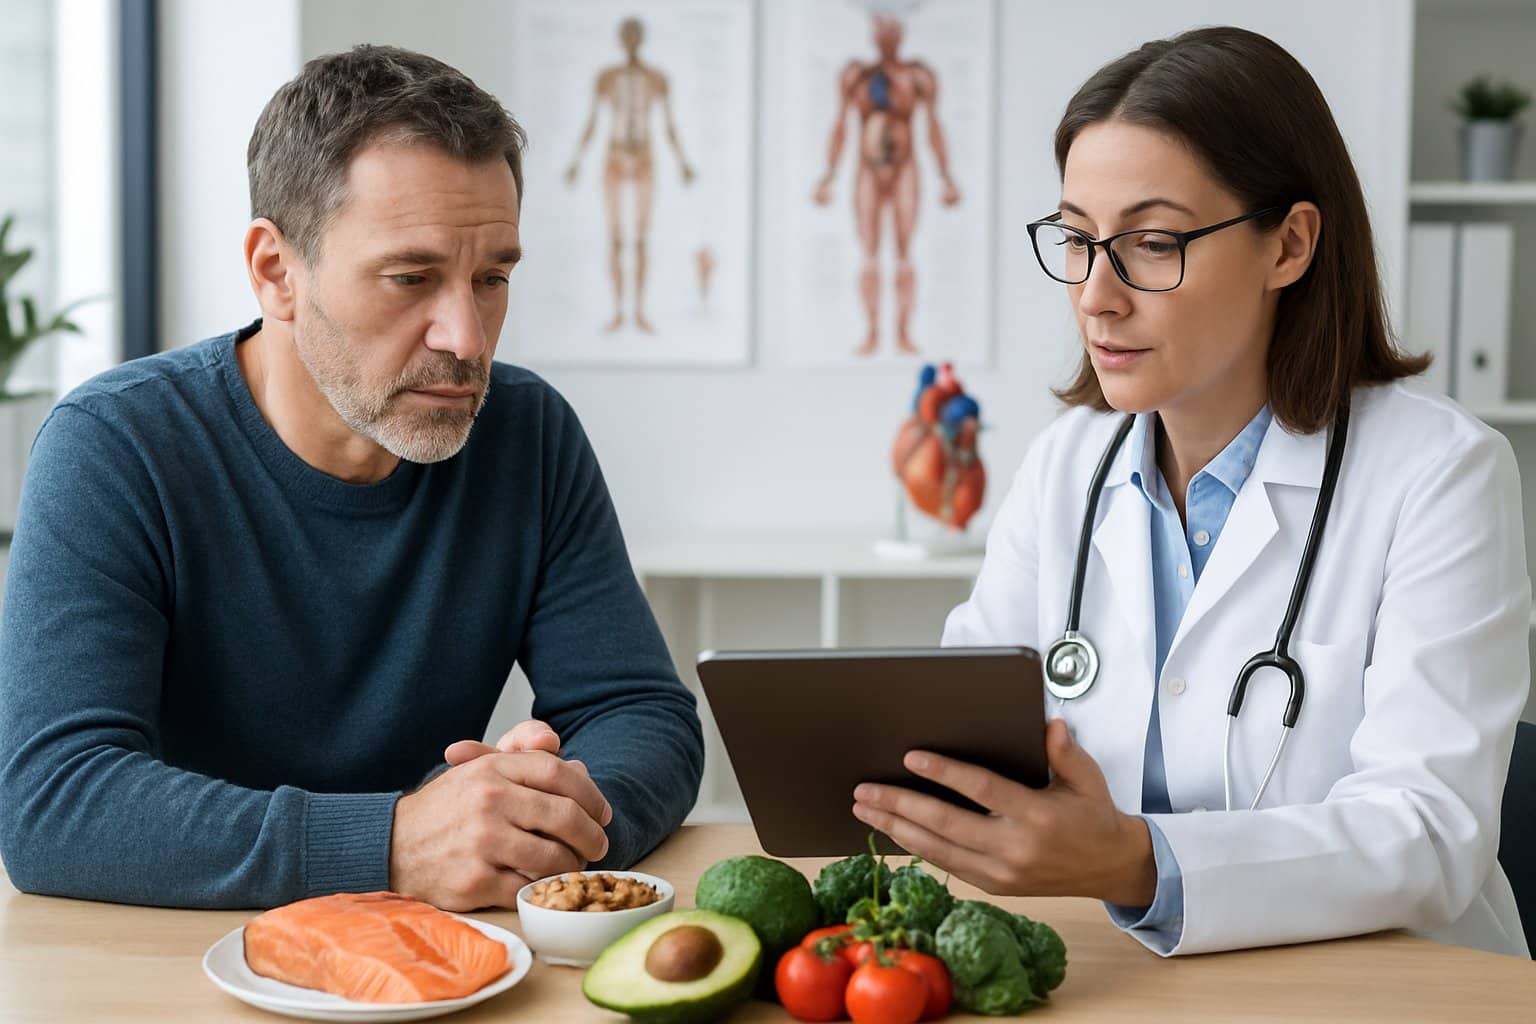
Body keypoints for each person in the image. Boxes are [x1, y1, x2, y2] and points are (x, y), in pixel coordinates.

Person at [850, 27, 1531, 958]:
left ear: (1288, 244)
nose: (1097, 293)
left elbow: (1429, 834)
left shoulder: (1441, 473)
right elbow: (967, 712)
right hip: (1118, 970)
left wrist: (1138, 860)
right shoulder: (1067, 466)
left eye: (1151, 243)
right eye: (1078, 241)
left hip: (1381, 986)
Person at [0, 45, 704, 912]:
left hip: (445, 952)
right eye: (411, 277)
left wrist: (543, 822)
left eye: (492, 279)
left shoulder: (529, 434)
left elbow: (643, 714)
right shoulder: (115, 446)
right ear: (276, 272)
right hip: (176, 957)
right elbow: (56, 802)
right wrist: (393, 843)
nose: (467, 337)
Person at [813, 13, 961, 356]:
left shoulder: (917, 75)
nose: (887, 33)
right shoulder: (856, 76)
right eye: (881, 26)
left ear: (902, 30)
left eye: (893, 25)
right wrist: (828, 175)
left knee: (904, 253)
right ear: (874, 31)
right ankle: (872, 332)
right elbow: (840, 126)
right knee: (869, 253)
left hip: (906, 168)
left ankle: (903, 333)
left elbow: (934, 127)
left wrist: (946, 177)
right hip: (866, 169)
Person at [565, 17, 696, 334]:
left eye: (635, 35)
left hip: (644, 158)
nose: (631, 40)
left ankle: (637, 311)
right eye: (626, 35)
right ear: (621, 38)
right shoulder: (607, 78)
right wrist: (577, 160)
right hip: (614, 155)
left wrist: (682, 161)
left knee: (639, 238)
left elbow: (669, 124)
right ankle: (618, 312)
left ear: (641, 38)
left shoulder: (657, 79)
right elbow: (593, 121)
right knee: (615, 237)